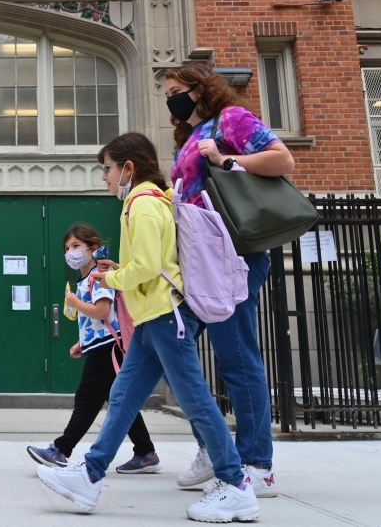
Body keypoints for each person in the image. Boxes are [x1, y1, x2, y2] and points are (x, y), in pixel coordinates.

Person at [36, 133, 259, 522]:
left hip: (163, 314)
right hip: (152, 316)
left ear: (128, 168)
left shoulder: (140, 204)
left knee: (195, 400)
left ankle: (235, 485)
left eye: (107, 169)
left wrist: (109, 280)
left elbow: (147, 267)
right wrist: (121, 273)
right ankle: (89, 476)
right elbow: (149, 264)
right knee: (122, 396)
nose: (104, 177)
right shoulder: (152, 201)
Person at [165, 62, 295, 498]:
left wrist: (227, 159)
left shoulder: (230, 120)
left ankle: (257, 463)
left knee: (236, 358)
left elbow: (282, 159)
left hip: (233, 255)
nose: (170, 98)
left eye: (176, 89)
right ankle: (214, 448)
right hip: (200, 259)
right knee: (173, 348)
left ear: (200, 89)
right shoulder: (189, 136)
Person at [26, 223, 161, 474]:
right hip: (99, 345)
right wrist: (82, 342)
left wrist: (75, 302)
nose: (71, 252)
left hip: (107, 349)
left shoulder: (98, 276)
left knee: (87, 400)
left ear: (93, 248)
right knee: (120, 400)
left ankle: (60, 450)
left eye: (76, 246)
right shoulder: (86, 279)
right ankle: (145, 452)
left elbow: (101, 311)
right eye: (67, 248)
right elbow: (97, 320)